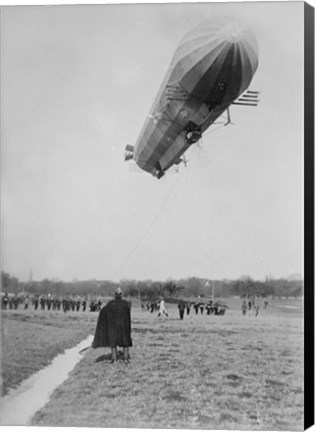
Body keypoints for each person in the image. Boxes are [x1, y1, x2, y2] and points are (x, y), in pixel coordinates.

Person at [92, 287, 132, 363]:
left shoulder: (110, 304)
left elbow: (103, 312)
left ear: (115, 295)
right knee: (125, 341)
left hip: (113, 327)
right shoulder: (126, 304)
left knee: (113, 342)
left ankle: (114, 359)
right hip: (124, 326)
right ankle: (126, 358)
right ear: (121, 295)